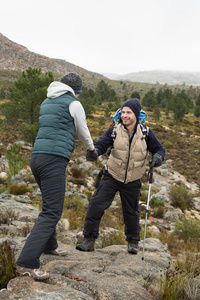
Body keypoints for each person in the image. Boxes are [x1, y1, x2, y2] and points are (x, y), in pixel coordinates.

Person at [16, 72, 98, 280]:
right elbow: (83, 130)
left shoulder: (47, 100)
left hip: (37, 157)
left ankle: (50, 245)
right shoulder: (73, 103)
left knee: (48, 205)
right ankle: (26, 262)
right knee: (52, 211)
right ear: (76, 91)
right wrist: (92, 149)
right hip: (53, 159)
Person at [76, 98, 165, 254]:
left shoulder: (146, 133)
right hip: (112, 175)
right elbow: (102, 144)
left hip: (133, 179)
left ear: (136, 114)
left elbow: (159, 149)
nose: (124, 115)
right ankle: (89, 240)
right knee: (96, 204)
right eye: (123, 112)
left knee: (131, 211)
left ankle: (133, 242)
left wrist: (157, 158)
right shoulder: (114, 130)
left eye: (128, 112)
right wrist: (94, 152)